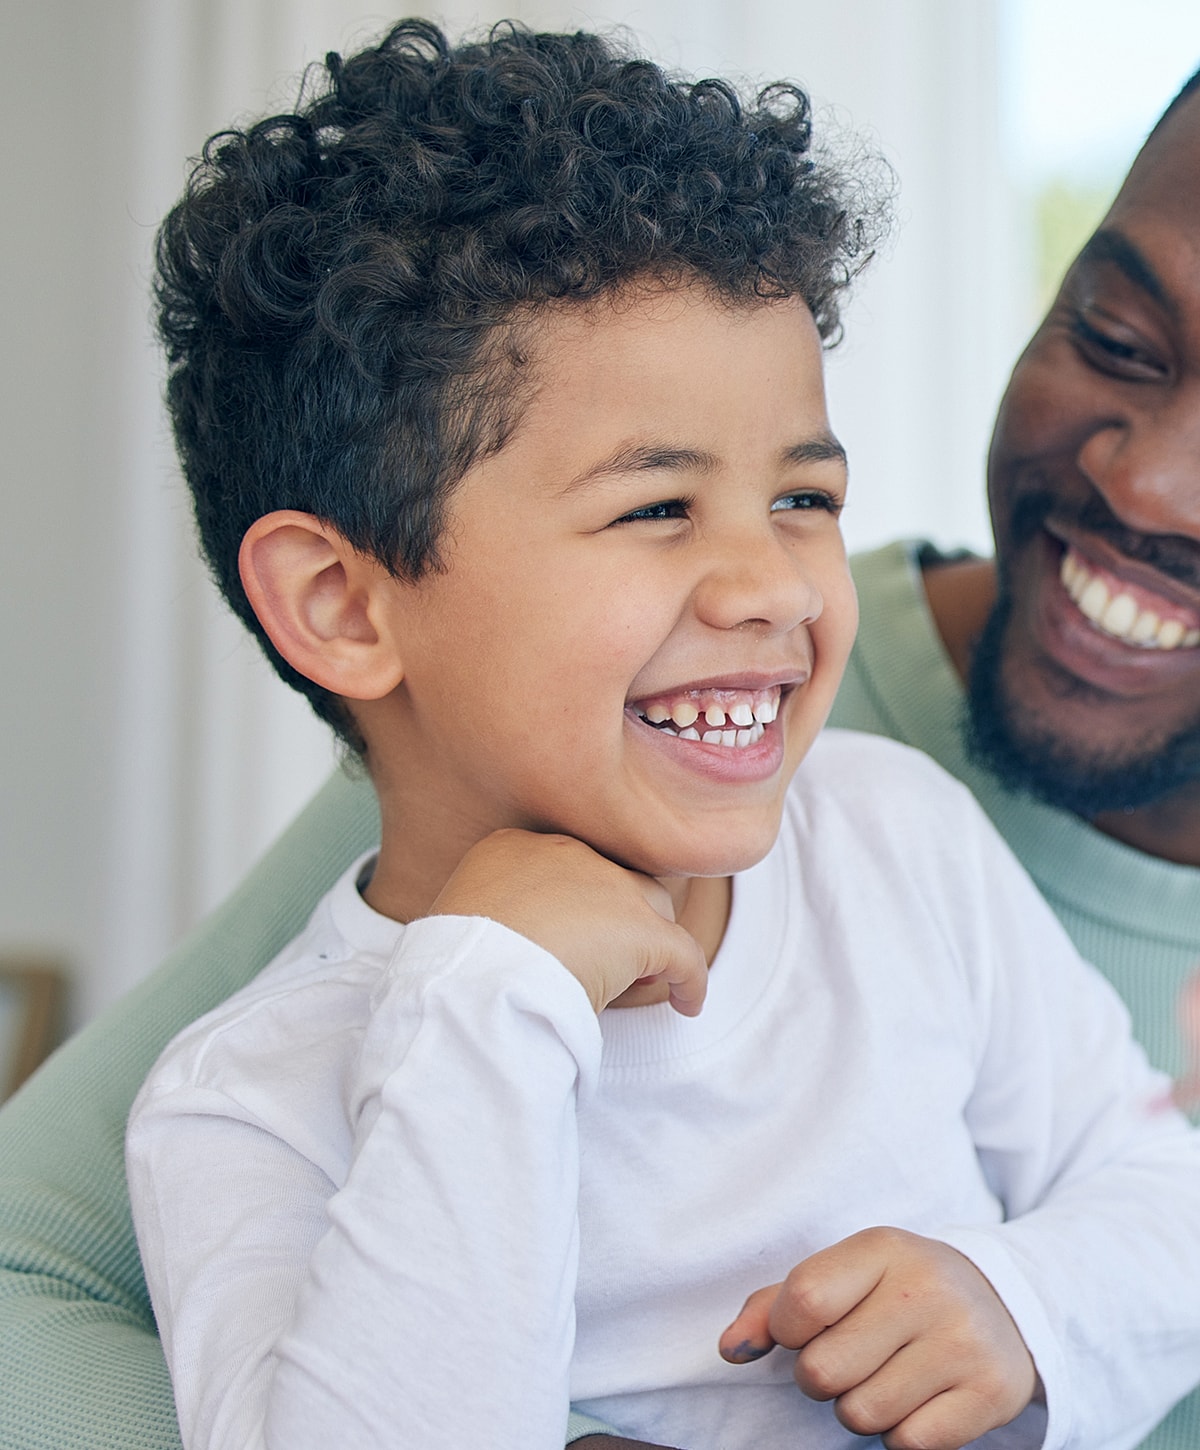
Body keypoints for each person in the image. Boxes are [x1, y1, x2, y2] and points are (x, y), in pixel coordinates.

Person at [0, 29, 1196, 1450]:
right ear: (342, 605)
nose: (772, 586)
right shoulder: (247, 1106)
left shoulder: (899, 841)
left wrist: (1029, 1300)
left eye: (805, 498)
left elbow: (1158, 1184)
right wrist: (483, 1006)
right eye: (657, 509)